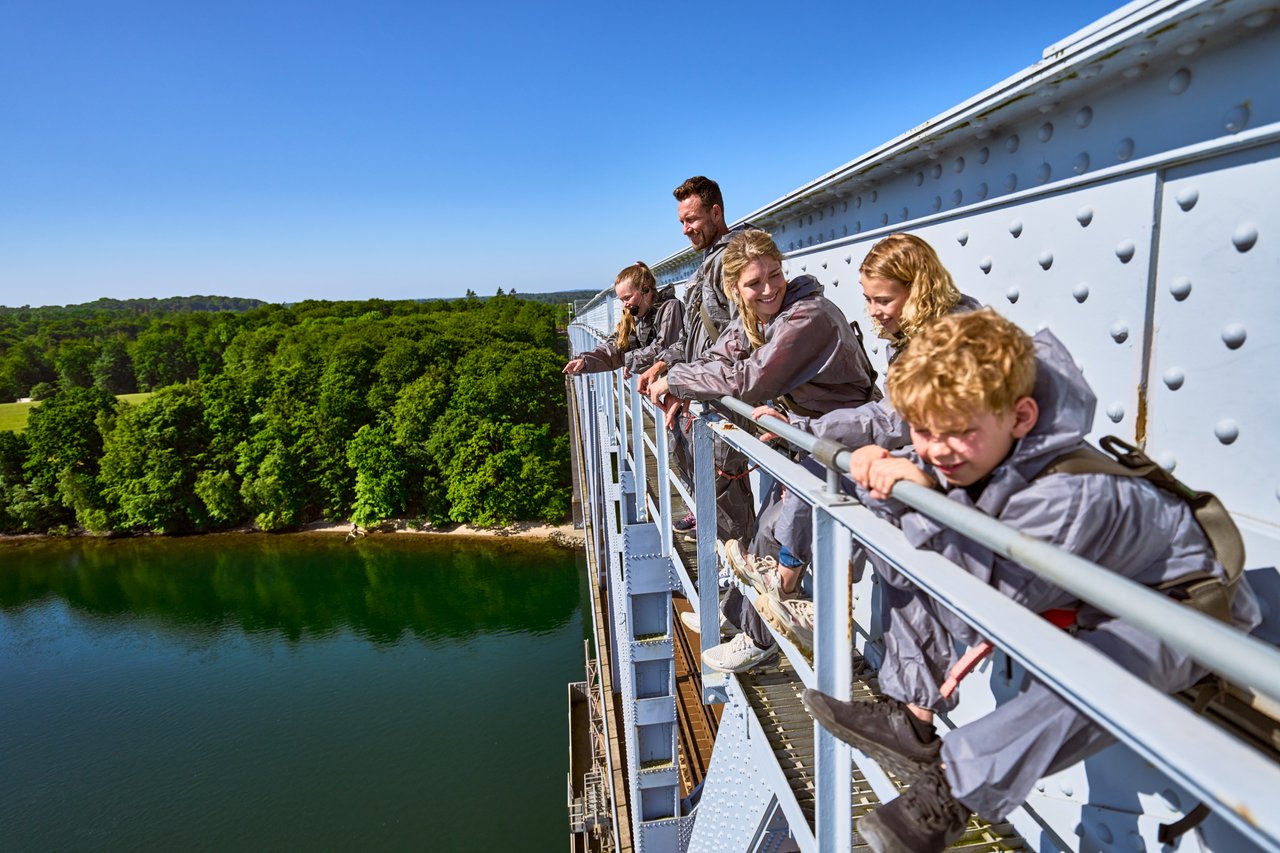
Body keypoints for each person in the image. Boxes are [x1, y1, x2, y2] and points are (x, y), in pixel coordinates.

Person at [799, 309, 1261, 852]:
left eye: (958, 432)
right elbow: (950, 472)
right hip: (1092, 585)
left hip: (1179, 607)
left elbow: (980, 608)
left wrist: (916, 494)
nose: (938, 449)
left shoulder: (1065, 497)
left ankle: (952, 793)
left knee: (1095, 677)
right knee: (915, 529)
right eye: (923, 429)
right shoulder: (995, 443)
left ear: (1021, 416)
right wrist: (897, 467)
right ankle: (909, 715)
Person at [648, 229, 880, 672]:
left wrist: (675, 381)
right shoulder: (755, 319)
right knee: (765, 532)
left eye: (774, 275)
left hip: (847, 439)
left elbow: (751, 381)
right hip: (806, 435)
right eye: (755, 283)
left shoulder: (805, 317)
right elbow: (720, 357)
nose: (769, 288)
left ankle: (760, 638)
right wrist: (681, 372)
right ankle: (743, 620)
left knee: (773, 530)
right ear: (736, 289)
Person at [743, 233, 980, 650]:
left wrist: (809, 429)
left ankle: (796, 590)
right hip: (932, 458)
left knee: (830, 473)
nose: (873, 312)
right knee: (823, 472)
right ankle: (797, 589)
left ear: (918, 289)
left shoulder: (943, 338)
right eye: (868, 299)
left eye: (882, 300)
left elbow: (897, 417)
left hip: (957, 471)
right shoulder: (921, 329)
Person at [635, 176, 757, 543]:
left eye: (692, 220)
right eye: (682, 223)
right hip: (704, 392)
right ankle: (727, 558)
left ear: (716, 212)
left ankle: (737, 577)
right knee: (709, 483)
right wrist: (664, 364)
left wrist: (682, 382)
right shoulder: (710, 262)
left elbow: (741, 339)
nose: (686, 230)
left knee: (725, 489)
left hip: (724, 399)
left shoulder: (733, 260)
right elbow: (693, 339)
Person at [563, 261, 683, 377]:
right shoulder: (637, 315)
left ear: (645, 289)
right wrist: (585, 361)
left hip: (676, 380)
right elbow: (617, 346)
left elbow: (663, 349)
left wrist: (628, 360)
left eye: (627, 298)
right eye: (621, 300)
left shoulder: (670, 307)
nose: (624, 304)